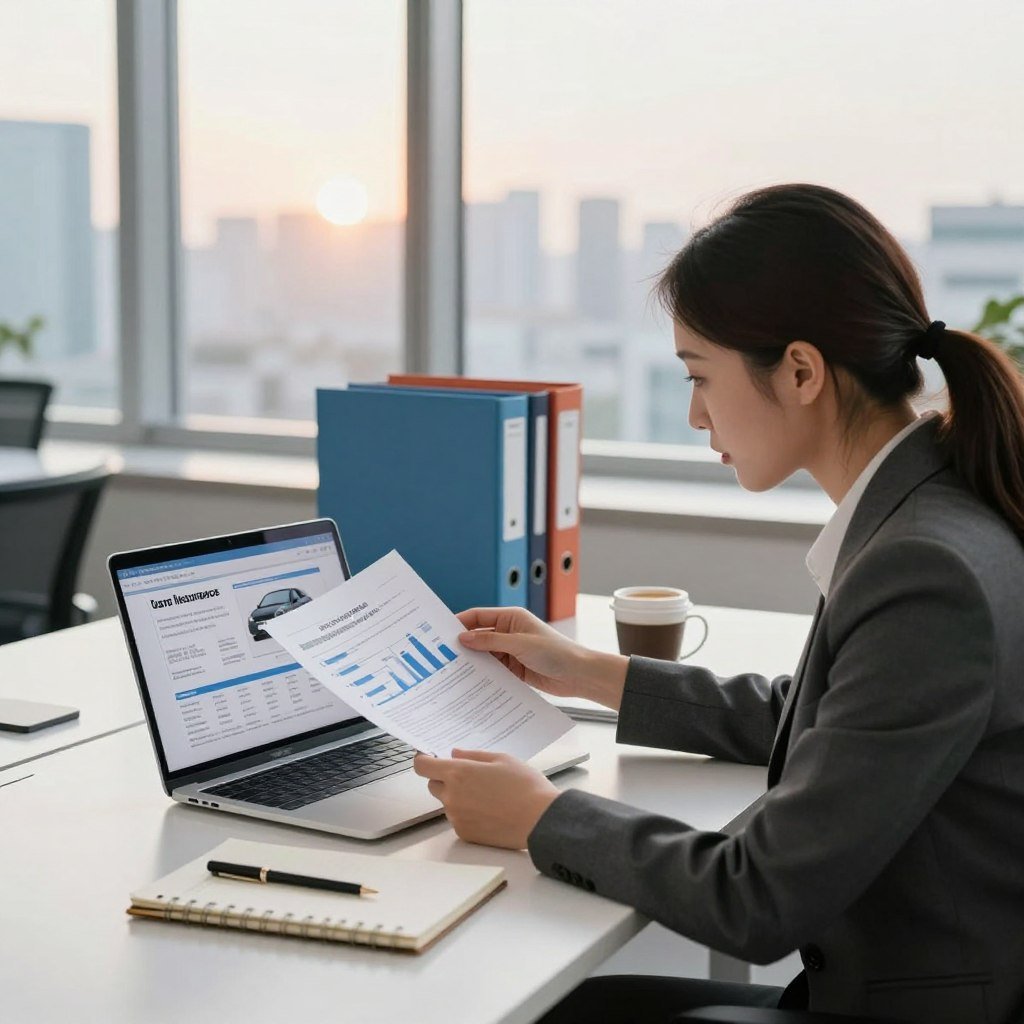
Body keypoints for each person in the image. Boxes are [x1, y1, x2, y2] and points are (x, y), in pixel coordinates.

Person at [413, 184, 1024, 1024]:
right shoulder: (937, 507)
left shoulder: (924, 569)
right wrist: (594, 673)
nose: (697, 413)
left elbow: (758, 899)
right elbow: (823, 718)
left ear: (802, 371)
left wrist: (541, 816)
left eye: (701, 375)